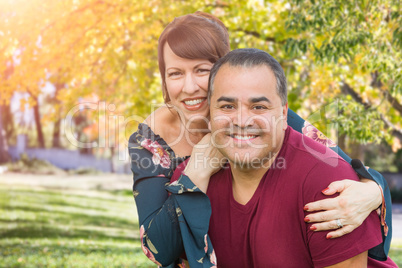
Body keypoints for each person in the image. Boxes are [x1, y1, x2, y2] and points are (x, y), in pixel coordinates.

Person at [128, 11, 392, 267]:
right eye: (175, 73)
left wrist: (373, 191)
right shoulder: (150, 142)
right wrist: (196, 172)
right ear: (164, 80)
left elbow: (338, 166)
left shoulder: (265, 113)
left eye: (201, 70)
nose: (189, 86)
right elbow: (158, 250)